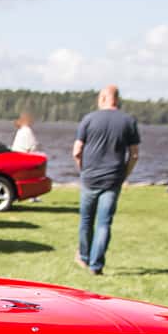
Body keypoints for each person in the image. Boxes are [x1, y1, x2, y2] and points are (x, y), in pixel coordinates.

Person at [70, 85, 139, 275]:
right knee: (104, 223)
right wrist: (124, 175)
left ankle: (84, 256)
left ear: (102, 98)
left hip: (89, 178)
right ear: (117, 99)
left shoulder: (89, 119)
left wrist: (83, 170)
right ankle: (96, 264)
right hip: (113, 179)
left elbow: (77, 151)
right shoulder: (128, 121)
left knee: (86, 219)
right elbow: (134, 155)